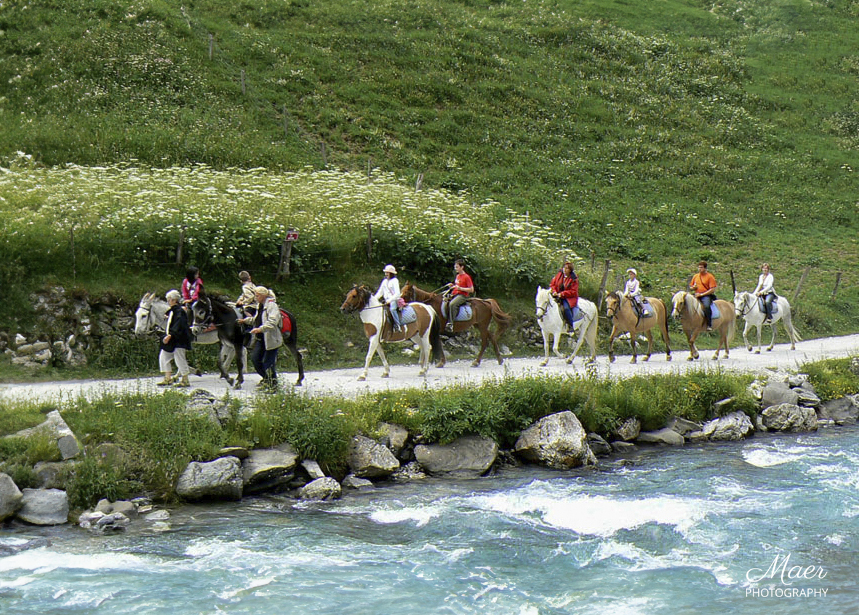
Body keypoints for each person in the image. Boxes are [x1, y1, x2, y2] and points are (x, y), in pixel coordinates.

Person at [245, 285, 283, 391]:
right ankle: (267, 379)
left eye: (257, 296)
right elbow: (257, 319)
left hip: (271, 339)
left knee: (268, 363)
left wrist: (260, 329)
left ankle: (273, 385)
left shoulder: (272, 306)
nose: (255, 298)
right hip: (261, 339)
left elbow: (272, 322)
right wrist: (246, 321)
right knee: (255, 359)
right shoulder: (260, 306)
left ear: (263, 296)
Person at [157, 290, 193, 387]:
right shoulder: (173, 311)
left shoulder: (179, 311)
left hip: (178, 339)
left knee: (180, 358)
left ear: (174, 300)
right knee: (164, 357)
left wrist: (170, 335)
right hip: (172, 339)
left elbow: (179, 324)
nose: (168, 301)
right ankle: (167, 378)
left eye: (169, 299)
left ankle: (185, 379)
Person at [444, 259, 474, 332]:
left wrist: (460, 288)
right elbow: (457, 285)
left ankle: (451, 324)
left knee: (452, 304)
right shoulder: (458, 276)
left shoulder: (466, 277)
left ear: (462, 267)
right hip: (455, 293)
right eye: (455, 267)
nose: (455, 269)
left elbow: (471, 289)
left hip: (462, 295)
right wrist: (452, 285)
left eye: (457, 267)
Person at [689, 260, 718, 330]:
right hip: (696, 294)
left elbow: (712, 289)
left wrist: (702, 294)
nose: (699, 269)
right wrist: (693, 288)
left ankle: (709, 324)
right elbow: (690, 286)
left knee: (706, 306)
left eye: (701, 267)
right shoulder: (695, 276)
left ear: (705, 268)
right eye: (699, 267)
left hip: (705, 295)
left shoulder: (710, 277)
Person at [374, 264, 403, 332]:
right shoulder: (384, 281)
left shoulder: (395, 281)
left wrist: (390, 300)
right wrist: (374, 299)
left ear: (391, 273)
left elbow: (397, 293)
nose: (386, 274)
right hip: (385, 300)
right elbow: (380, 292)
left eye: (387, 272)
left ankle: (397, 325)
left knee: (392, 309)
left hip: (393, 300)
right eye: (385, 272)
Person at [550, 261, 579, 328]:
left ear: (570, 270)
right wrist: (554, 291)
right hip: (557, 295)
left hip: (568, 298)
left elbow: (573, 291)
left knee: (566, 308)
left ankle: (570, 325)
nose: (564, 270)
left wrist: (562, 294)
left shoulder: (574, 279)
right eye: (564, 268)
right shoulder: (559, 275)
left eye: (567, 268)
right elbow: (552, 284)